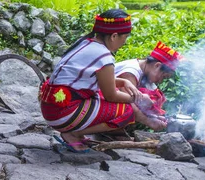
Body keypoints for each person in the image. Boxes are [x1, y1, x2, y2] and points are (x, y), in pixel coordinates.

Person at [40, 9, 152, 153]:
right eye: (124, 38)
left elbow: (102, 80)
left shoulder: (86, 43)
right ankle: (74, 133)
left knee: (108, 97)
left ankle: (73, 130)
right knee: (127, 111)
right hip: (61, 113)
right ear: (114, 36)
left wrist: (124, 82)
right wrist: (139, 99)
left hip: (51, 107)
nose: (124, 43)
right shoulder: (104, 56)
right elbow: (111, 95)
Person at [114, 41, 182, 128]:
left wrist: (154, 117)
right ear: (157, 66)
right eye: (163, 77)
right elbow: (130, 106)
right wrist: (150, 122)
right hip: (95, 100)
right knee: (128, 107)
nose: (161, 81)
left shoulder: (143, 70)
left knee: (154, 97)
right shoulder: (131, 72)